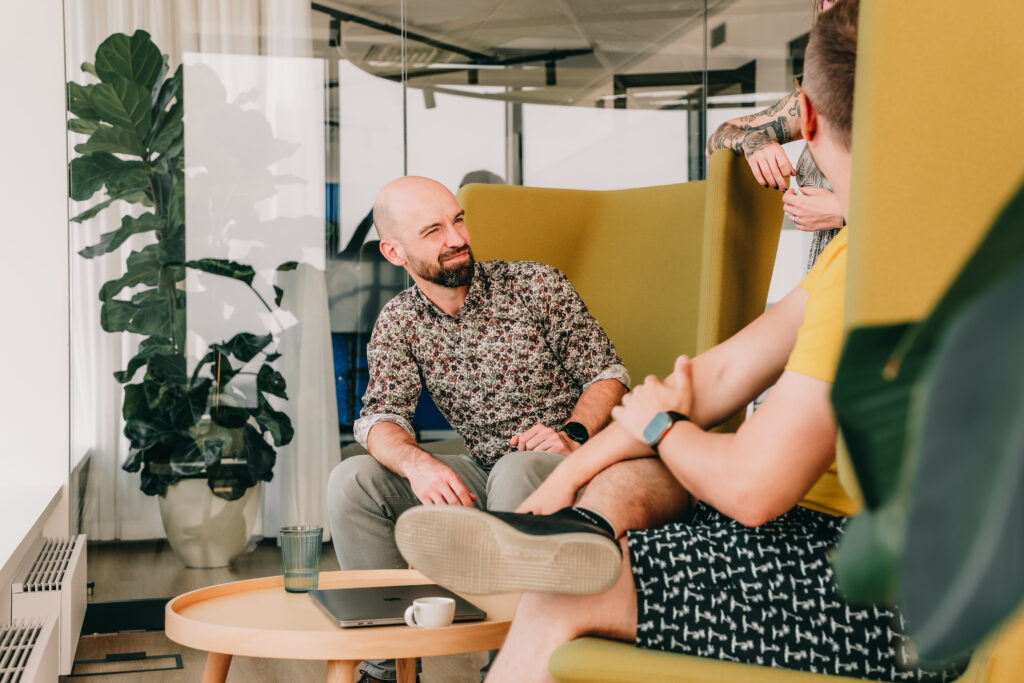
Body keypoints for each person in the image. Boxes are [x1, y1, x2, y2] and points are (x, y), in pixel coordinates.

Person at [394, 2, 961, 681]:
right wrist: (572, 474)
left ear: (804, 117)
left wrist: (661, 423)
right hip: (838, 536)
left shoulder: (884, 262)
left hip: (897, 596)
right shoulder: (866, 244)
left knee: (566, 591)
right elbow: (716, 377)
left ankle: (560, 553)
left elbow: (753, 486)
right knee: (626, 482)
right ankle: (564, 530)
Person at [327, 175, 629, 682]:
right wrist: (417, 463)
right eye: (434, 231)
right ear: (394, 252)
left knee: (513, 469)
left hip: (570, 466)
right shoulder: (399, 320)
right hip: (485, 474)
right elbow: (380, 417)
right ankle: (387, 668)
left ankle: (510, 663)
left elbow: (608, 376)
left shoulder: (536, 284)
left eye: (458, 220)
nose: (456, 238)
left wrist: (572, 433)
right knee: (353, 482)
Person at [707, 0, 845, 270]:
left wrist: (843, 212)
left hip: (878, 282)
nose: (829, 4)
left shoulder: (899, 94)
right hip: (822, 277)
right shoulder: (815, 99)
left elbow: (935, 201)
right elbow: (716, 139)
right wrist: (754, 141)